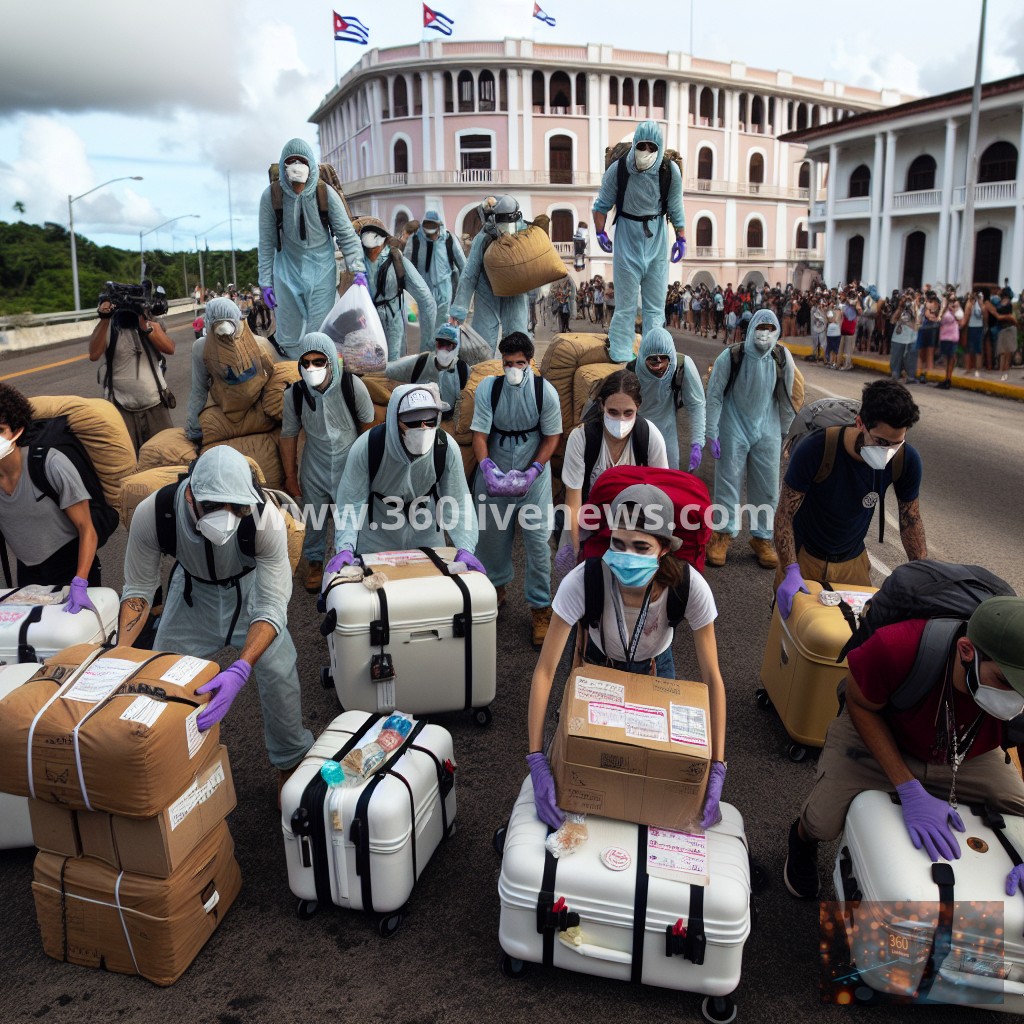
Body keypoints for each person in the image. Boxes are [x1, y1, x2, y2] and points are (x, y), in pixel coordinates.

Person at [784, 596, 1024, 899]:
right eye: (1004, 680)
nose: (1016, 698)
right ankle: (801, 838)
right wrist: (908, 787)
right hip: (881, 732)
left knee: (1019, 812)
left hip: (963, 748)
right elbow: (859, 704)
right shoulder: (897, 647)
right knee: (822, 822)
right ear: (966, 651)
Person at [116, 446, 314, 800]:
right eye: (213, 506)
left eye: (235, 507)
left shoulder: (265, 518)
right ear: (190, 493)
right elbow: (139, 590)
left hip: (250, 590)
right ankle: (168, 763)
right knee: (162, 681)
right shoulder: (156, 513)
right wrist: (121, 654)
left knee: (280, 671)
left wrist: (241, 668)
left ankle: (290, 762)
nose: (226, 516)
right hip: (192, 596)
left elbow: (271, 605)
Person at [526, 484, 728, 831]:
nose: (627, 555)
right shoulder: (584, 580)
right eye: (618, 544)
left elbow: (712, 677)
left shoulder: (688, 587)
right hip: (597, 667)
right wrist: (536, 759)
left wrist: (717, 765)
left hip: (656, 671)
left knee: (653, 782)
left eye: (641, 547)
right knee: (592, 773)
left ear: (664, 548)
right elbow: (545, 671)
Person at [774, 381, 926, 612]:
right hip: (804, 557)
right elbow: (785, 513)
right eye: (881, 442)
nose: (889, 452)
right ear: (860, 424)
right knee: (794, 636)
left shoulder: (906, 460)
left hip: (853, 561)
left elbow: (910, 519)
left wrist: (923, 576)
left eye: (897, 444)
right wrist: (790, 569)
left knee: (857, 637)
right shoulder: (817, 448)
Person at [470, 332, 561, 647]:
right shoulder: (489, 389)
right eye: (508, 363)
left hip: (532, 480)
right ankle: (495, 588)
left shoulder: (543, 393)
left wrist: (535, 469)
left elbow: (551, 437)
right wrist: (487, 468)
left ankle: (539, 606)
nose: (513, 369)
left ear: (530, 362)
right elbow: (480, 434)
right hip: (494, 471)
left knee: (538, 546)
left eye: (520, 363)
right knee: (491, 542)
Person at [329, 382, 481, 563]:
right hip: (376, 536)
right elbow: (350, 502)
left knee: (429, 588)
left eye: (430, 421)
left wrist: (466, 548)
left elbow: (458, 502)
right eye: (413, 422)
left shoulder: (445, 447)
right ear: (394, 420)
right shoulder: (368, 447)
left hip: (426, 534)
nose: (423, 428)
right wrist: (345, 547)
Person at [280, 333, 375, 594]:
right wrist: (290, 475)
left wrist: (369, 471)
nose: (312, 368)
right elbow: (288, 435)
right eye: (306, 362)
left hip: (350, 462)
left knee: (353, 516)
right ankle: (314, 561)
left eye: (319, 361)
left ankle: (353, 557)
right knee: (314, 516)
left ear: (331, 361)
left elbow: (369, 430)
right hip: (314, 466)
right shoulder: (295, 394)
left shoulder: (352, 386)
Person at [705, 310, 798, 569]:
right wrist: (711, 432)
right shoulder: (731, 356)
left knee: (768, 486)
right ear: (752, 327)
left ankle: (762, 538)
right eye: (761, 326)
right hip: (733, 424)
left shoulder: (781, 358)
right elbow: (714, 396)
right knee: (727, 482)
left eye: (770, 327)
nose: (765, 332)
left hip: (767, 426)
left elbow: (786, 398)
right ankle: (722, 534)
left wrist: (786, 434)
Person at [257, 138, 365, 360]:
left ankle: (322, 380)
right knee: (289, 336)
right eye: (291, 162)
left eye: (301, 162)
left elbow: (346, 235)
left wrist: (358, 268)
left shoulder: (325, 194)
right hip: (286, 272)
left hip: (321, 271)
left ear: (311, 168)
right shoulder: (271, 197)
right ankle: (295, 381)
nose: (298, 189)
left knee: (321, 333)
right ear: (284, 168)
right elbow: (266, 242)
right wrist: (265, 282)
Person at [592, 121, 686, 362]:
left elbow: (676, 208)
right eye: (641, 145)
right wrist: (600, 232)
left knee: (655, 308)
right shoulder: (619, 170)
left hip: (657, 240)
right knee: (626, 305)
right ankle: (620, 354)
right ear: (634, 144)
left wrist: (681, 238)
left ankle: (654, 354)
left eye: (651, 147)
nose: (645, 151)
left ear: (659, 147)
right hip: (627, 238)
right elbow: (601, 205)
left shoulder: (669, 172)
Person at [556, 370, 669, 567]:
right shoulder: (582, 438)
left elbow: (661, 497)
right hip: (588, 531)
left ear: (638, 407)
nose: (621, 420)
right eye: (613, 412)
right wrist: (574, 550)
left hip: (634, 533)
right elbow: (573, 501)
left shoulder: (649, 436)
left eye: (628, 413)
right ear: (602, 406)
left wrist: (656, 548)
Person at [0, 383, 100, 597]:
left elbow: (87, 529)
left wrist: (80, 582)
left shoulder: (50, 464)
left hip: (72, 568)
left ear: (17, 431)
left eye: (0, 430)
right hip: (28, 575)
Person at [88, 297, 175, 453]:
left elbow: (169, 348)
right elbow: (94, 354)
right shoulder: (108, 328)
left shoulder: (151, 324)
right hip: (120, 407)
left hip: (155, 405)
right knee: (127, 462)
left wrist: (145, 326)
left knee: (164, 458)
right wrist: (105, 319)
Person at [185, 297, 275, 447]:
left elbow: (199, 390)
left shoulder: (259, 344)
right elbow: (199, 390)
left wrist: (194, 428)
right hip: (233, 408)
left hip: (253, 407)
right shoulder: (203, 349)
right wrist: (195, 427)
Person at [449, 195, 530, 347]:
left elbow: (469, 275)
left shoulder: (524, 233)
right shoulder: (484, 237)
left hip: (514, 293)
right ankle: (484, 370)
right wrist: (458, 312)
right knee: (483, 343)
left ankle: (519, 370)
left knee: (517, 341)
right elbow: (469, 274)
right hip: (488, 291)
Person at [352, 216, 436, 362]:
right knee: (370, 362)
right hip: (368, 320)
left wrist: (427, 346)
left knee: (393, 361)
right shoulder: (357, 262)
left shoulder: (395, 258)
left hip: (393, 318)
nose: (372, 252)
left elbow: (425, 297)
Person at [627, 327, 706, 472]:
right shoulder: (632, 371)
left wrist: (697, 442)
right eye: (652, 361)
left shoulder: (682, 366)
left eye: (663, 359)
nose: (658, 366)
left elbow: (696, 404)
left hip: (667, 431)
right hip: (637, 430)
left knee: (668, 480)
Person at [385, 322, 468, 426]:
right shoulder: (422, 362)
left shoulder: (461, 369)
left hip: (447, 419)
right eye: (441, 344)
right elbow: (390, 370)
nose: (444, 349)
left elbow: (465, 402)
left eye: (449, 346)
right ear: (436, 345)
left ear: (455, 348)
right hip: (418, 416)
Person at [406, 209, 466, 347]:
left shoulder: (448, 239)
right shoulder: (415, 240)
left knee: (443, 324)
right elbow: (406, 266)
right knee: (424, 327)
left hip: (444, 289)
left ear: (439, 225)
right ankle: (426, 357)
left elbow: (463, 265)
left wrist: (463, 293)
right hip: (422, 290)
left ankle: (441, 355)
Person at [889, 290, 919, 383]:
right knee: (896, 358)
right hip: (898, 337)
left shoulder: (917, 307)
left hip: (912, 338)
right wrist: (901, 306)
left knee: (910, 358)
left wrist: (913, 304)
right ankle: (895, 374)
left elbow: (918, 320)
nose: (908, 298)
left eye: (911, 296)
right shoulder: (900, 307)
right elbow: (892, 320)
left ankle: (910, 376)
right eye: (906, 296)